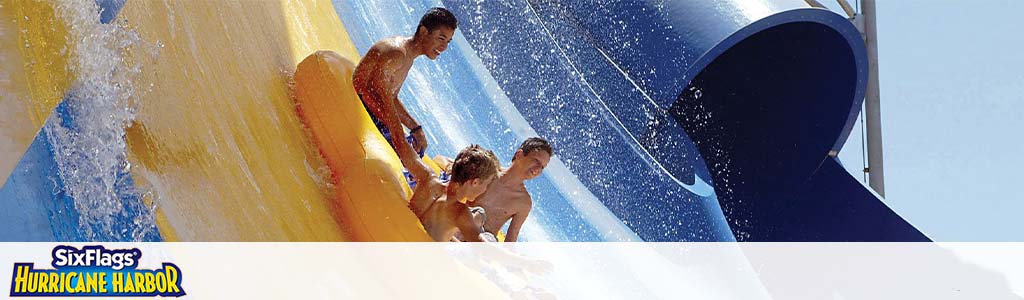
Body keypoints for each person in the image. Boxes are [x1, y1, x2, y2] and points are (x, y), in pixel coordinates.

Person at [352, 7, 457, 186]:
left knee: (418, 160)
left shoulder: (407, 55)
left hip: (374, 113)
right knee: (416, 173)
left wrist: (415, 128)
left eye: (448, 41)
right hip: (361, 111)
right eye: (441, 38)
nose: (444, 47)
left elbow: (390, 97)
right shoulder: (397, 55)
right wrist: (400, 140)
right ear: (424, 31)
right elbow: (374, 97)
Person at [436, 138, 553, 242]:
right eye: (536, 161)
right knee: (475, 216)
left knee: (481, 226)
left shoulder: (524, 202)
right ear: (519, 155)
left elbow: (511, 238)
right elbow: (448, 163)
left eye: (542, 167)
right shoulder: (489, 173)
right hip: (464, 220)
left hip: (485, 237)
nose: (538, 169)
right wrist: (448, 169)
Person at [409, 145, 500, 242]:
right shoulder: (460, 213)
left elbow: (399, 140)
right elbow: (481, 247)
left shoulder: (427, 178)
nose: (484, 190)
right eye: (486, 185)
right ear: (475, 182)